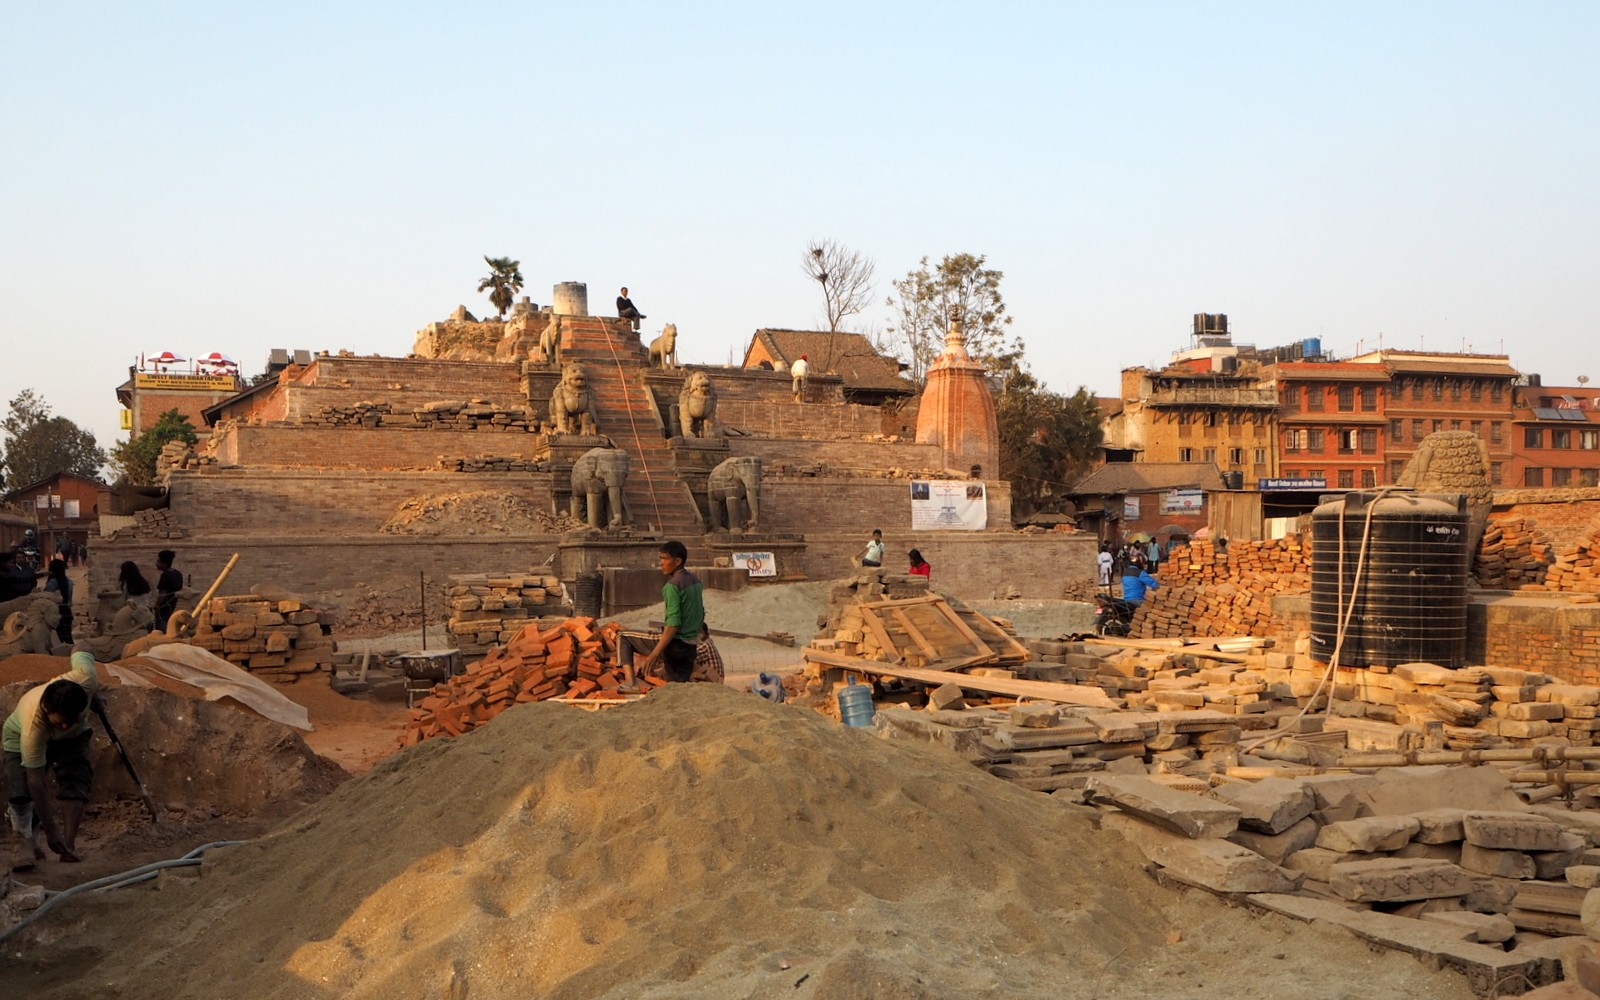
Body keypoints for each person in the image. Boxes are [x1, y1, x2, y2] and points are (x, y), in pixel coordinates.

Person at [4, 648, 102, 867]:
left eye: (71, 720)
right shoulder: (34, 727)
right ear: (48, 712)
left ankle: (68, 845)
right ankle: (24, 843)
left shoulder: (87, 679)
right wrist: (51, 831)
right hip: (16, 736)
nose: (65, 727)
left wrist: (95, 693)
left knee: (76, 779)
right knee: (24, 793)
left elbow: (80, 648)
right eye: (59, 723)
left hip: (74, 739)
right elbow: (36, 781)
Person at [614, 540, 706, 685]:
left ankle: (630, 683)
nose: (661, 563)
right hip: (690, 647)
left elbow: (673, 623)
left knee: (623, 636)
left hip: (675, 644)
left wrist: (655, 654)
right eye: (660, 558)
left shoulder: (672, 586)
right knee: (677, 685)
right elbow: (701, 613)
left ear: (677, 561)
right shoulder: (695, 582)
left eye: (665, 558)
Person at [42, 558, 72, 645]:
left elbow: (46, 597)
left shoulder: (52, 582)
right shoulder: (69, 581)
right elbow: (69, 600)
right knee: (67, 636)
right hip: (67, 611)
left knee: (58, 639)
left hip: (55, 612)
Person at [154, 550, 182, 634]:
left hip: (165, 607)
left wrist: (156, 605)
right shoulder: (178, 573)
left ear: (164, 563)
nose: (156, 564)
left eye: (158, 562)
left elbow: (162, 594)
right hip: (174, 604)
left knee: (163, 628)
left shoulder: (165, 575)